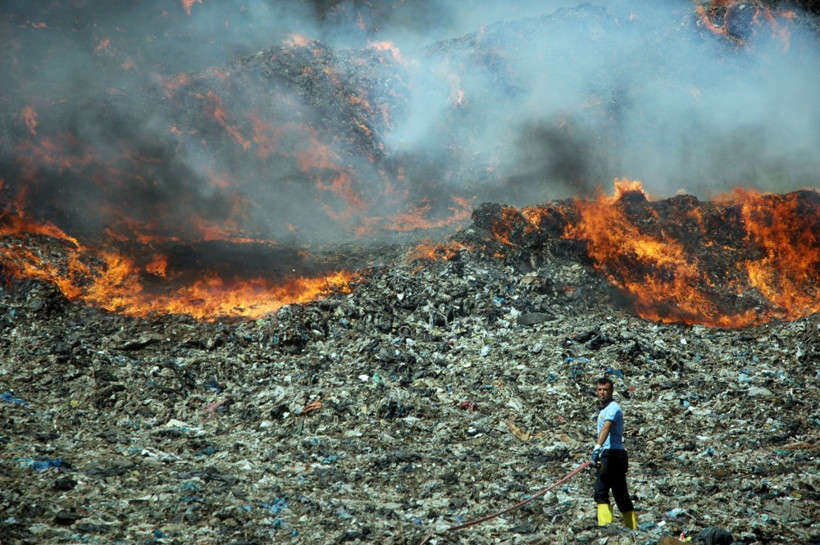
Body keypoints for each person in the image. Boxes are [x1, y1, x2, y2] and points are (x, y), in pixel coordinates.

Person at [592, 376, 637, 529]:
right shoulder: (605, 409)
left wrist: (598, 446)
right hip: (616, 455)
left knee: (600, 491)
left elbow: (607, 427)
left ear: (612, 391)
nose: (602, 393)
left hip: (611, 454)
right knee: (620, 492)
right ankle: (632, 528)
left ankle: (605, 527)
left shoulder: (612, 408)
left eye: (605, 389)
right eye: (599, 390)